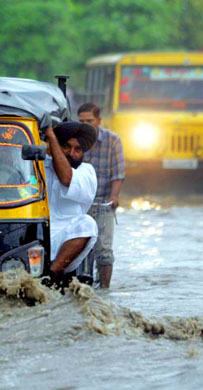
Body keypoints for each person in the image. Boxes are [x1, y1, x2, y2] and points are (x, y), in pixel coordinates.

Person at [43, 122, 98, 288]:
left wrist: (52, 136)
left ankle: (50, 277)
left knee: (88, 224)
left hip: (67, 239)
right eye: (66, 147)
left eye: (77, 149)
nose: (71, 153)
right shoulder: (39, 165)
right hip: (35, 235)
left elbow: (66, 178)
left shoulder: (86, 172)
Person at [78, 103, 125, 289]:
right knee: (77, 250)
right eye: (81, 121)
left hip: (103, 202)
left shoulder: (113, 140)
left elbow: (118, 172)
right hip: (80, 204)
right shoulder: (76, 140)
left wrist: (115, 196)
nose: (86, 125)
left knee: (104, 252)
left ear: (99, 121)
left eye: (89, 121)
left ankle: (105, 290)